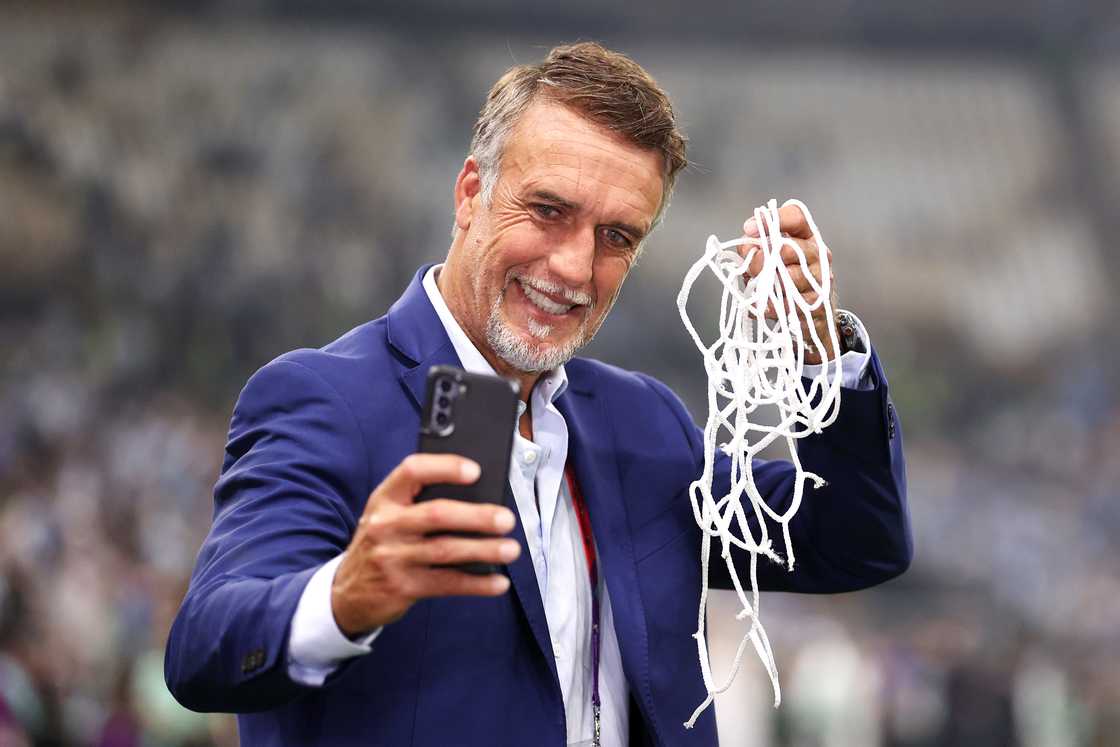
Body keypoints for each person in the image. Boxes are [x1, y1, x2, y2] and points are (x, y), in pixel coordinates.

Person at [164, 42, 911, 746]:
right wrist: (344, 595)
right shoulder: (329, 398)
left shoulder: (641, 421)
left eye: (617, 237)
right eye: (549, 211)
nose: (575, 266)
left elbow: (854, 539)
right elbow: (204, 647)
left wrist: (822, 350)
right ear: (469, 194)